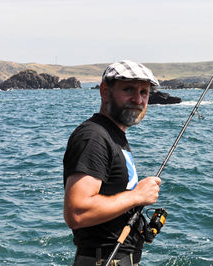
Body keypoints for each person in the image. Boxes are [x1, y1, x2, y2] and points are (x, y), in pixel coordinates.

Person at [63, 60, 161, 266]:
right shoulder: (93, 137)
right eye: (128, 90)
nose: (138, 99)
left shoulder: (113, 135)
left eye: (144, 92)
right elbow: (77, 212)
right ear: (105, 91)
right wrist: (137, 196)